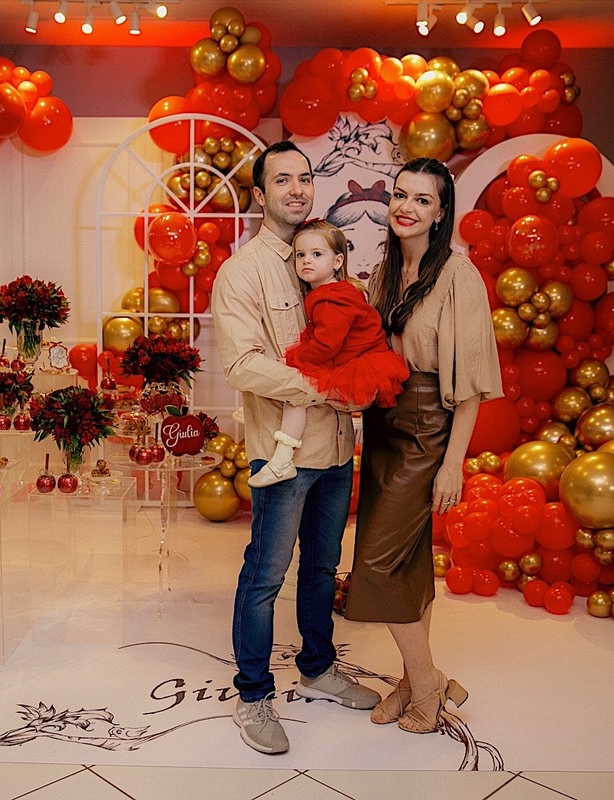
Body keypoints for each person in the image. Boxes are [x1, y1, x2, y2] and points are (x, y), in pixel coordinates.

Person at [211, 141, 380, 755]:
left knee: (321, 567)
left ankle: (317, 666)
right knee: (264, 576)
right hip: (282, 453)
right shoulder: (243, 272)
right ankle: (252, 697)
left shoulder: (327, 264)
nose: (297, 189)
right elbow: (243, 364)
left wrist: (359, 386)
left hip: (337, 449)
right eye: (282, 180)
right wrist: (330, 387)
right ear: (261, 194)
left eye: (305, 179)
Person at [344, 157, 502, 734]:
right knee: (407, 563)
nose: (407, 207)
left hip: (428, 432)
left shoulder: (459, 276)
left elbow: (473, 387)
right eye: (401, 195)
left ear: (441, 214)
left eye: (423, 200)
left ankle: (428, 683)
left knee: (376, 564)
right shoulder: (383, 272)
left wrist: (451, 465)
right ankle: (415, 680)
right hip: (385, 428)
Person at [248, 219, 409, 488]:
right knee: (299, 394)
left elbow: (325, 346)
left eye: (317, 254)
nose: (306, 261)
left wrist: (292, 361)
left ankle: (282, 460)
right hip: (352, 356)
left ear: (337, 261)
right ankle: (282, 460)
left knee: (297, 394)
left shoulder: (331, 299)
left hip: (359, 362)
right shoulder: (332, 292)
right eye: (300, 255)